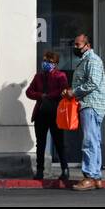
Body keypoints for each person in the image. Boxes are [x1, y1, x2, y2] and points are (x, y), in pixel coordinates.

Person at [67, 32, 105, 190]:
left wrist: (74, 92)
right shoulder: (85, 60)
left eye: (78, 45)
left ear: (87, 46)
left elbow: (92, 83)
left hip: (91, 104)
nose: (75, 48)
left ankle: (89, 177)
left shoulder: (92, 60)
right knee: (94, 141)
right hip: (90, 104)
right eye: (75, 45)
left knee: (89, 141)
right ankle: (96, 177)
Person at [25, 50, 69, 184]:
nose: (46, 64)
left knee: (59, 142)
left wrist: (48, 95)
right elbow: (29, 92)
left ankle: (64, 169)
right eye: (44, 61)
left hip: (55, 113)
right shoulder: (38, 76)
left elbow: (64, 90)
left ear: (55, 64)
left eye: (49, 62)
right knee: (41, 143)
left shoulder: (60, 75)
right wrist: (40, 96)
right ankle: (40, 171)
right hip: (40, 113)